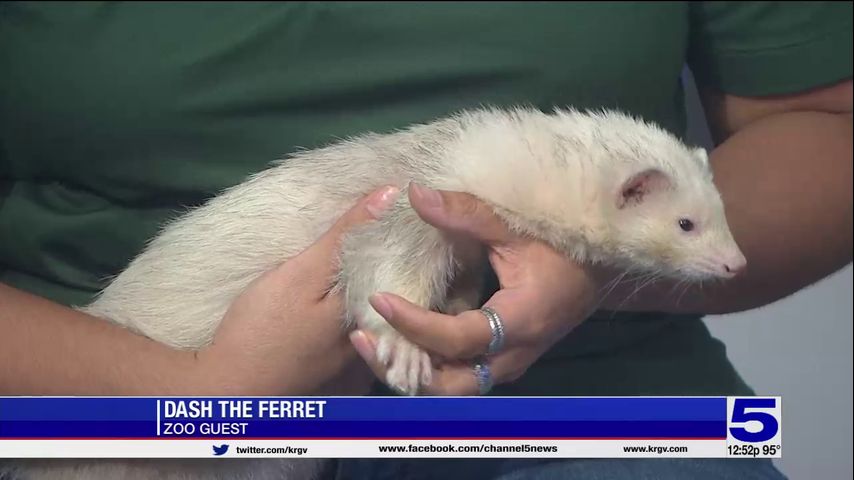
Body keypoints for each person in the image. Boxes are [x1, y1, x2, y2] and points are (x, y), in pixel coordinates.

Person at [1, 2, 850, 479]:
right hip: (99, 391)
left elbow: (822, 120)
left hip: (589, 397)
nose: (723, 254)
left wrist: (587, 274)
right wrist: (194, 394)